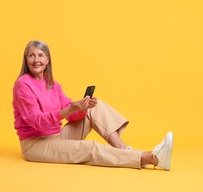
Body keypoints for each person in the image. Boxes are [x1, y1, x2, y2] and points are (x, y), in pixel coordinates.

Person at [12, 40, 173, 170]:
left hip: (56, 136)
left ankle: (124, 150)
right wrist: (70, 109)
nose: (36, 60)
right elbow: (37, 121)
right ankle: (153, 158)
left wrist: (82, 108)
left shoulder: (52, 84)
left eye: (41, 55)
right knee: (89, 148)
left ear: (47, 60)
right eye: (31, 55)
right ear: (26, 59)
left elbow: (72, 113)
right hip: (36, 144)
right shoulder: (23, 84)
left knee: (95, 107)